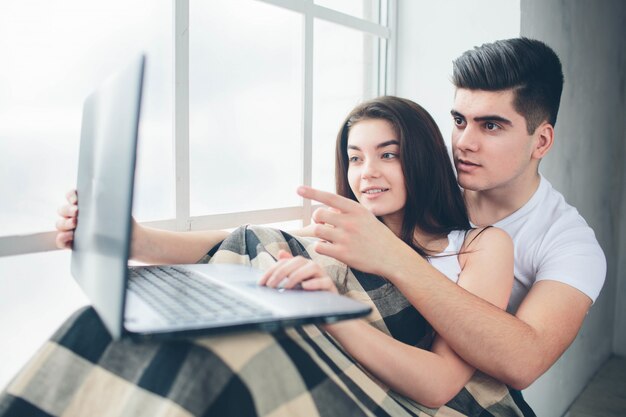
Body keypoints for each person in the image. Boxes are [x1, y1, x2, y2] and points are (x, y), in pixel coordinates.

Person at [12, 96, 530, 417]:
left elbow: (438, 386)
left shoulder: (481, 245)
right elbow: (239, 238)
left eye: (388, 154)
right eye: (354, 157)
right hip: (341, 365)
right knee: (103, 324)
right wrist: (134, 240)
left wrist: (330, 313)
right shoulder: (342, 231)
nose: (366, 171)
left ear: (420, 157)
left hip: (421, 403)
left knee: (233, 354)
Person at [293, 37, 606, 390]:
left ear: (542, 141)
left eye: (491, 126)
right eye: (459, 120)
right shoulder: (420, 179)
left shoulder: (571, 244)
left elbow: (524, 362)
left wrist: (391, 255)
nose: (463, 143)